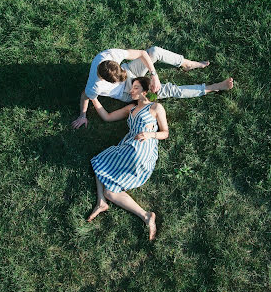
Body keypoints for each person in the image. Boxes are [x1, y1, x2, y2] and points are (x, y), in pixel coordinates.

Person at [72, 46, 234, 129]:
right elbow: (85, 96)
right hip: (128, 93)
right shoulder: (95, 85)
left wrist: (154, 74)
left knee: (154, 51)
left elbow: (143, 53)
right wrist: (82, 115)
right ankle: (211, 88)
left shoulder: (110, 55)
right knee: (169, 90)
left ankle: (187, 64)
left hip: (130, 70)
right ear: (106, 81)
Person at [87, 77, 169, 241]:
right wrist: (93, 97)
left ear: (145, 92)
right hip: (128, 148)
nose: (131, 91)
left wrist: (150, 134)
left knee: (100, 161)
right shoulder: (130, 109)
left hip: (142, 147)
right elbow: (107, 116)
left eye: (136, 88)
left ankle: (101, 201)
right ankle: (145, 216)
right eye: (131, 88)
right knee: (110, 190)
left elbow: (165, 133)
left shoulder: (155, 107)